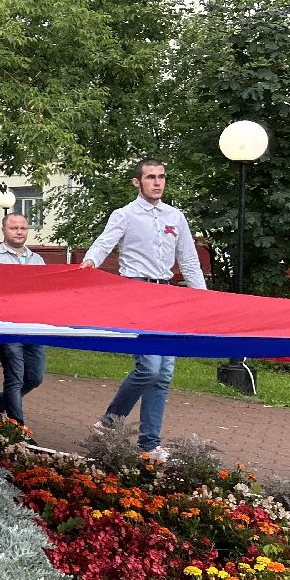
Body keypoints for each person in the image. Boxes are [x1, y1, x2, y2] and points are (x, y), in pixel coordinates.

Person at [82, 158, 205, 462]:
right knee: (149, 367)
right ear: (137, 182)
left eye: (161, 177)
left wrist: (202, 297)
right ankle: (111, 420)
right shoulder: (124, 215)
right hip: (135, 292)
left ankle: (149, 445)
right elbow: (103, 244)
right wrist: (88, 263)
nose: (157, 182)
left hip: (166, 294)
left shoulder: (175, 217)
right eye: (151, 177)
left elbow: (188, 260)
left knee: (163, 373)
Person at [0, 212, 47, 425]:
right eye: (14, 228)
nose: (19, 231)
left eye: (23, 228)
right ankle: (17, 428)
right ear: (3, 230)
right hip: (5, 327)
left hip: (33, 327)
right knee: (15, 377)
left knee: (35, 377)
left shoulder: (37, 261)